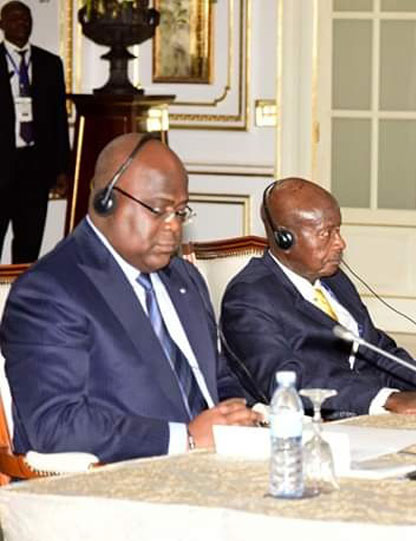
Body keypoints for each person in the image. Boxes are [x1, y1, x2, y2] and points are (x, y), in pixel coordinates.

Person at [0, 133, 260, 463]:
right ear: (106, 200)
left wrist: (243, 415)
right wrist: (187, 439)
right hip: (123, 484)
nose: (174, 227)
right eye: (159, 210)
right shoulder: (51, 292)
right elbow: (55, 426)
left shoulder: (184, 278)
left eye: (180, 212)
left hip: (224, 463)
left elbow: (217, 379)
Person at [220, 178, 416, 418]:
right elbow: (283, 382)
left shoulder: (334, 280)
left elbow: (379, 352)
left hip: (368, 417)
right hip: (316, 426)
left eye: (338, 230)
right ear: (285, 238)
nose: (340, 243)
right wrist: (385, 399)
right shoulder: (248, 298)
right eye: (326, 233)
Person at [0, 1, 69, 263]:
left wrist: (63, 167)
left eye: (26, 18)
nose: (22, 23)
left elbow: (59, 119)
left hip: (35, 169)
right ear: (2, 24)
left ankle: (20, 300)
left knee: (29, 244)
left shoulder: (50, 64)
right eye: (15, 18)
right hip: (1, 166)